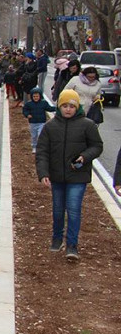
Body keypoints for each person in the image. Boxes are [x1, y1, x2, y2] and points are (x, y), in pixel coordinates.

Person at [35, 89, 103, 259]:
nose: (68, 109)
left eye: (71, 106)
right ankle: (56, 238)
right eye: (64, 106)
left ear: (77, 107)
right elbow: (42, 152)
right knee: (58, 210)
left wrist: (84, 157)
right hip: (57, 176)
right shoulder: (50, 126)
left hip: (77, 176)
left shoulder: (87, 125)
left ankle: (72, 244)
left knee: (73, 209)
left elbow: (97, 146)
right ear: (59, 107)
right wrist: (43, 173)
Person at [22, 87, 55, 154]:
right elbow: (25, 110)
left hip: (41, 122)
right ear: (31, 96)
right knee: (34, 136)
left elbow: (49, 108)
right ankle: (34, 146)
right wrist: (27, 115)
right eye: (34, 96)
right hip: (33, 122)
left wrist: (57, 108)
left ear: (40, 96)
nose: (36, 98)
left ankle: (41, 147)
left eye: (37, 96)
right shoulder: (29, 104)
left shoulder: (44, 103)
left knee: (40, 134)